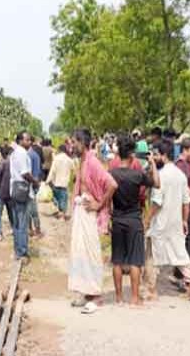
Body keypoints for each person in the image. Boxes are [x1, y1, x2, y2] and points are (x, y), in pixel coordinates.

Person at [144, 139, 190, 300]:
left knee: (152, 256)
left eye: (156, 154)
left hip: (161, 222)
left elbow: (157, 202)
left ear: (163, 156)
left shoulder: (161, 176)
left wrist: (147, 219)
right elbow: (186, 201)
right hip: (175, 222)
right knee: (180, 254)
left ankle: (151, 289)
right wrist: (184, 220)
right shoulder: (181, 175)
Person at [69, 129, 118, 314]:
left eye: (74, 142)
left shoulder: (93, 162)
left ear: (82, 142)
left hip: (90, 214)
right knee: (80, 252)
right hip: (82, 211)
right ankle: (86, 293)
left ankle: (96, 296)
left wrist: (98, 204)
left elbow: (112, 184)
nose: (72, 145)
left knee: (91, 253)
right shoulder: (81, 161)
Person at [110, 135, 159, 306]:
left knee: (117, 260)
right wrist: (152, 163)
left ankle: (118, 298)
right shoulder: (138, 175)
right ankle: (134, 298)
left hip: (117, 220)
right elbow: (157, 184)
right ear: (132, 155)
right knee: (135, 261)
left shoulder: (112, 174)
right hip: (134, 220)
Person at [9, 131, 39, 260]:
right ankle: (22, 251)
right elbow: (25, 173)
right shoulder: (21, 153)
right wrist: (35, 181)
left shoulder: (15, 153)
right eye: (27, 140)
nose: (30, 142)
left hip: (15, 188)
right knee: (22, 222)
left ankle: (17, 249)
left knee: (16, 222)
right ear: (20, 141)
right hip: (22, 189)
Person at [45, 144, 75, 221]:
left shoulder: (56, 159)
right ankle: (62, 214)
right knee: (64, 199)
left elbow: (52, 171)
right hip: (64, 183)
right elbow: (74, 169)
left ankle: (60, 213)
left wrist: (47, 181)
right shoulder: (69, 160)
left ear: (59, 150)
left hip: (56, 183)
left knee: (57, 198)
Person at [0, 146, 14, 241]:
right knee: (11, 213)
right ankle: (14, 229)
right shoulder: (15, 163)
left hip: (0, 192)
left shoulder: (3, 163)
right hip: (11, 193)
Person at [27, 143, 43, 237]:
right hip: (32, 185)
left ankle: (31, 229)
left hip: (27, 186)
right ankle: (37, 230)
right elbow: (36, 173)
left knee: (29, 209)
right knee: (33, 210)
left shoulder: (27, 155)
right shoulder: (35, 156)